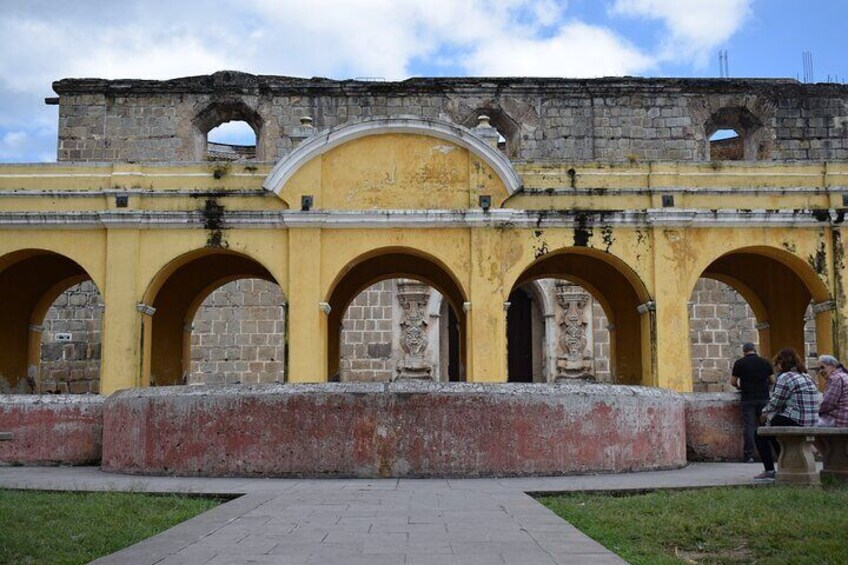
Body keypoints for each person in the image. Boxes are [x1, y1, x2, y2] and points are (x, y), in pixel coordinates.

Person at [754, 348, 820, 481]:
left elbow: (776, 402)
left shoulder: (786, 377)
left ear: (782, 363)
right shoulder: (806, 376)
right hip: (811, 420)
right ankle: (783, 464)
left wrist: (764, 413)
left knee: (759, 433)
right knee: (772, 428)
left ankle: (770, 470)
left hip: (797, 419)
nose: (777, 367)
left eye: (777, 363)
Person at [730, 342, 774, 462]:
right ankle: (769, 454)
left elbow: (733, 382)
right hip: (764, 397)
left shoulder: (739, 363)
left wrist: (739, 387)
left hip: (747, 398)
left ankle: (748, 455)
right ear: (754, 350)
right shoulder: (765, 362)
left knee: (749, 426)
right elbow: (772, 380)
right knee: (765, 425)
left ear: (744, 351)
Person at [816, 355, 848, 427]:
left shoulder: (836, 378)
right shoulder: (844, 375)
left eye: (822, 367)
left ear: (833, 366)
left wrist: (814, 411)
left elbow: (828, 403)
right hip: (843, 418)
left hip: (838, 420)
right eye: (819, 369)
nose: (820, 371)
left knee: (808, 422)